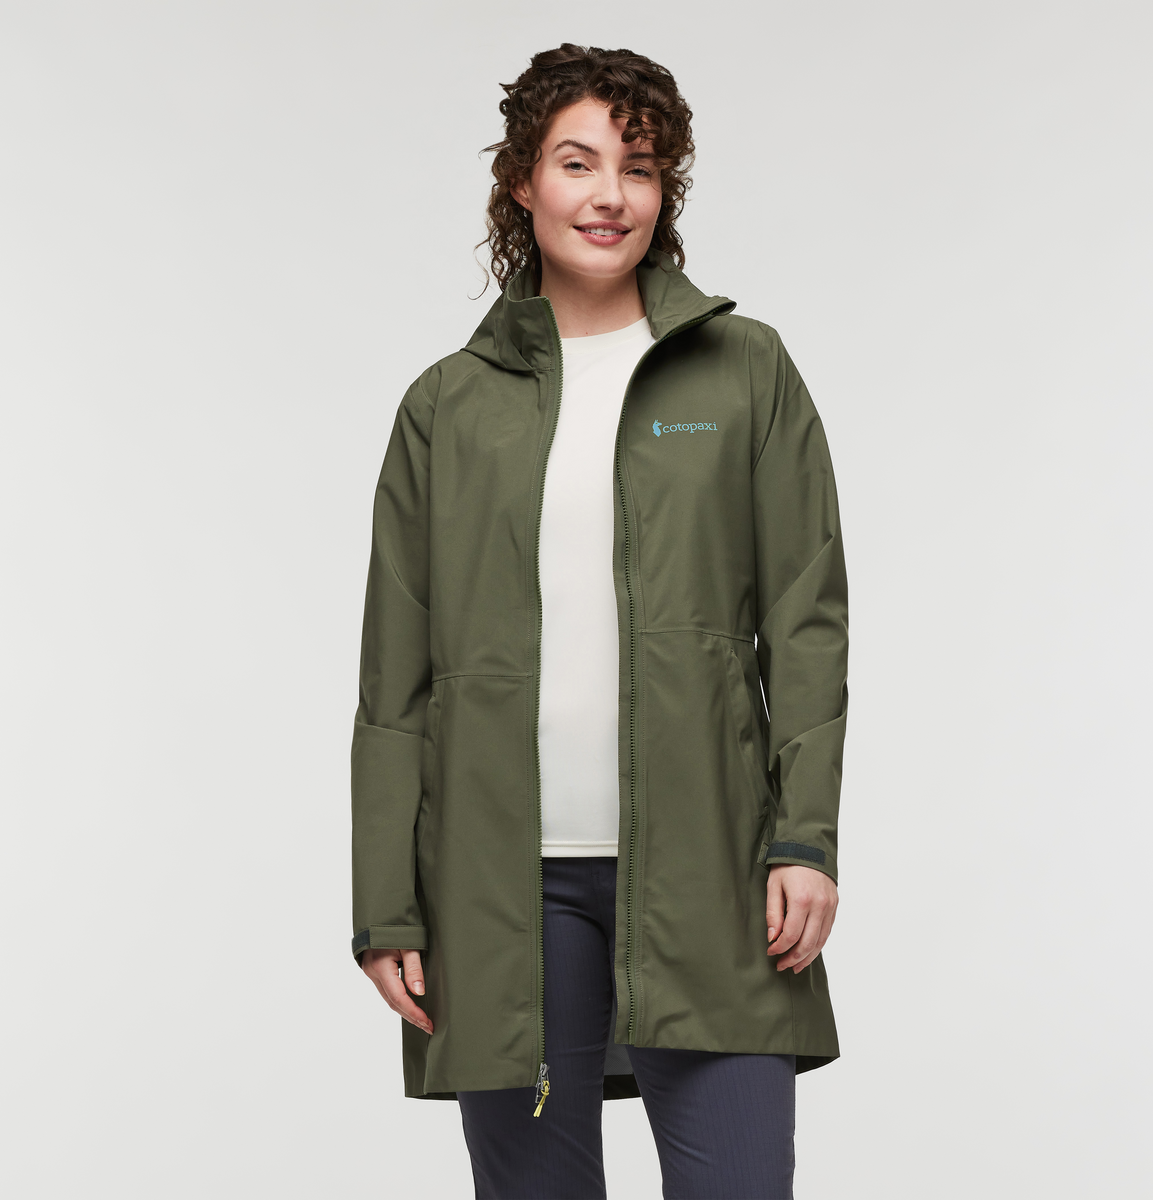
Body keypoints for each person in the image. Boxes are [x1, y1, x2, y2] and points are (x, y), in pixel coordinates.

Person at [350, 43, 849, 1200]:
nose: (610, 193)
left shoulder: (744, 372)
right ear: (522, 181)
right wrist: (386, 904)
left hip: (713, 874)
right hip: (501, 890)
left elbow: (807, 618)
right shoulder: (446, 407)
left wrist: (805, 841)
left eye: (641, 165)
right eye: (578, 162)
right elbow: (394, 677)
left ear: (666, 190)